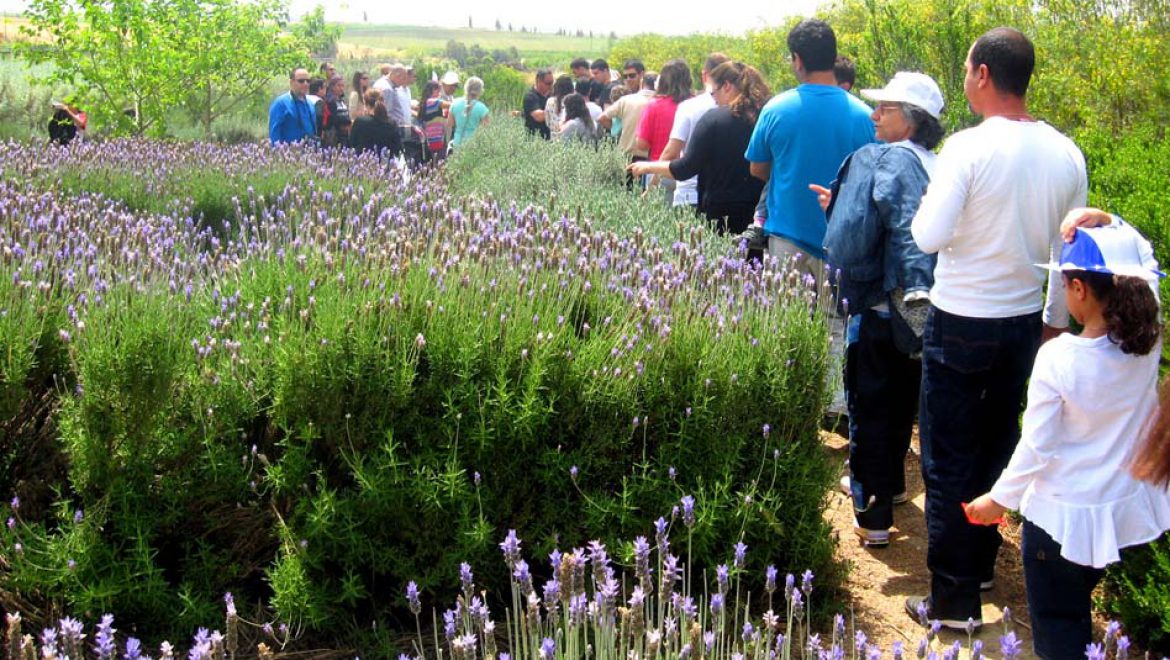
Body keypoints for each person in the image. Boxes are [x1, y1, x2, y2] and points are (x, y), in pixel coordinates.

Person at [906, 27, 1088, 630]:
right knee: (995, 447)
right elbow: (1070, 255)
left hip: (961, 318)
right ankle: (980, 565)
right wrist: (1055, 324)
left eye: (965, 69)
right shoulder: (1066, 152)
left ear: (983, 74)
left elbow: (929, 237)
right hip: (1022, 324)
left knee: (949, 458)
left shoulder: (967, 147)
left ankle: (954, 602)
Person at [965, 223, 1169, 659]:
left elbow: (1036, 447)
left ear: (1078, 288)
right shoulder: (1148, 342)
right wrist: (1109, 222)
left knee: (1059, 634)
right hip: (1115, 513)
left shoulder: (1059, 357)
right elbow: (1145, 262)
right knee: (1077, 617)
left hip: (1059, 522)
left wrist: (997, 501)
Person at [817, 72, 946, 547]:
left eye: (885, 108)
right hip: (928, 315)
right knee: (902, 407)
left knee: (870, 408)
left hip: (881, 307)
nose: (874, 115)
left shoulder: (887, 160)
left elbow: (880, 233)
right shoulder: (940, 164)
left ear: (911, 121)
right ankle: (891, 487)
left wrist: (840, 217)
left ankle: (872, 517)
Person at [746, 18, 874, 280]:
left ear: (798, 59)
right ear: (833, 56)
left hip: (787, 237)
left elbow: (758, 168)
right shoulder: (866, 116)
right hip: (843, 241)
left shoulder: (776, 109)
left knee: (785, 318)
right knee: (836, 319)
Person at [628, 62, 770, 235]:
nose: (714, 99)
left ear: (727, 86)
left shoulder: (715, 119)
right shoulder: (766, 116)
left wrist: (647, 167)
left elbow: (687, 168)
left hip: (722, 211)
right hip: (761, 210)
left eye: (713, 92)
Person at [661, 52, 731, 209]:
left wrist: (652, 184)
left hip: (688, 193)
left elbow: (671, 152)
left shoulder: (689, 107)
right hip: (725, 195)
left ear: (704, 75)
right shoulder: (738, 109)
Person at [269, 67, 317, 145]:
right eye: (301, 81)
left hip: (309, 153)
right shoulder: (280, 103)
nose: (305, 84)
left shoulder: (310, 104)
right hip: (289, 153)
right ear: (291, 82)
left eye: (308, 81)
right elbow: (274, 134)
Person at [348, 88, 402, 158]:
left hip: (363, 163)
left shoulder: (360, 122)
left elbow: (352, 143)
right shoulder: (392, 124)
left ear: (366, 104)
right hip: (386, 164)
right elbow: (397, 148)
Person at [447, 76, 489, 151]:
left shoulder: (454, 104)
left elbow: (450, 124)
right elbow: (486, 129)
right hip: (473, 144)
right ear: (480, 91)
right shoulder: (482, 108)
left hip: (457, 143)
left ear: (465, 88)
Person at [418, 80, 447, 163]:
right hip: (437, 138)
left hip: (430, 138)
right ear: (433, 90)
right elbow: (451, 105)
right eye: (438, 90)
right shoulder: (433, 102)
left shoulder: (425, 102)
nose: (439, 93)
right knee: (440, 162)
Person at [321, 75, 352, 147]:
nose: (341, 88)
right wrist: (347, 122)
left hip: (344, 136)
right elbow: (333, 118)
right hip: (334, 136)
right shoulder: (330, 101)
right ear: (332, 87)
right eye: (339, 86)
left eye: (342, 86)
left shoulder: (342, 101)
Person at [523, 68, 554, 139]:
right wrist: (558, 112)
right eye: (548, 83)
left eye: (552, 82)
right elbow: (538, 116)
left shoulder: (552, 94)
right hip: (535, 140)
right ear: (538, 81)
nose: (551, 86)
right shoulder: (530, 96)